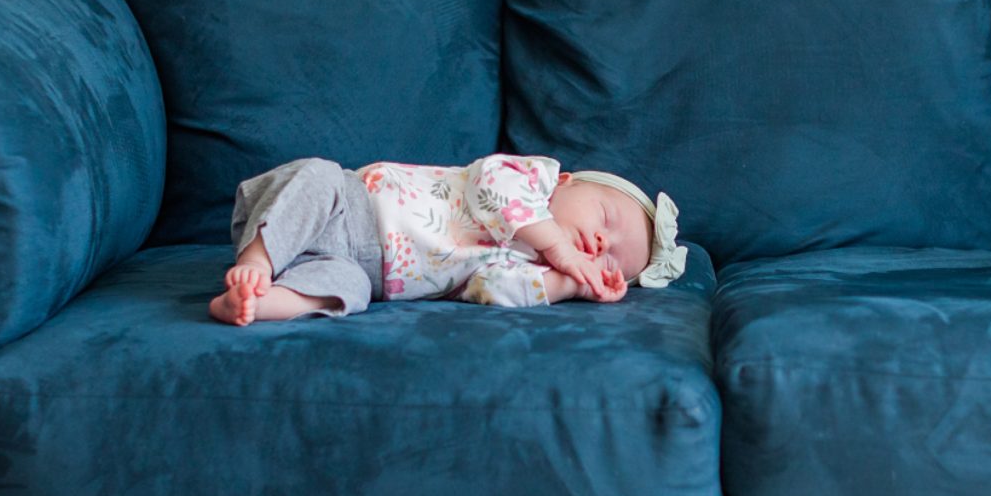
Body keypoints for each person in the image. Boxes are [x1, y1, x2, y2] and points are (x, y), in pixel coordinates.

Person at [209, 154, 685, 325]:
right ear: (568, 183)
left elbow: (492, 290)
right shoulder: (531, 179)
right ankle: (259, 259)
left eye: (613, 261)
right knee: (318, 174)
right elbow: (489, 187)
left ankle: (254, 302)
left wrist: (570, 285)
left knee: (346, 294)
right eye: (607, 216)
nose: (603, 241)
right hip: (344, 206)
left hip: (370, 275)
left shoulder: (529, 270)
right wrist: (557, 246)